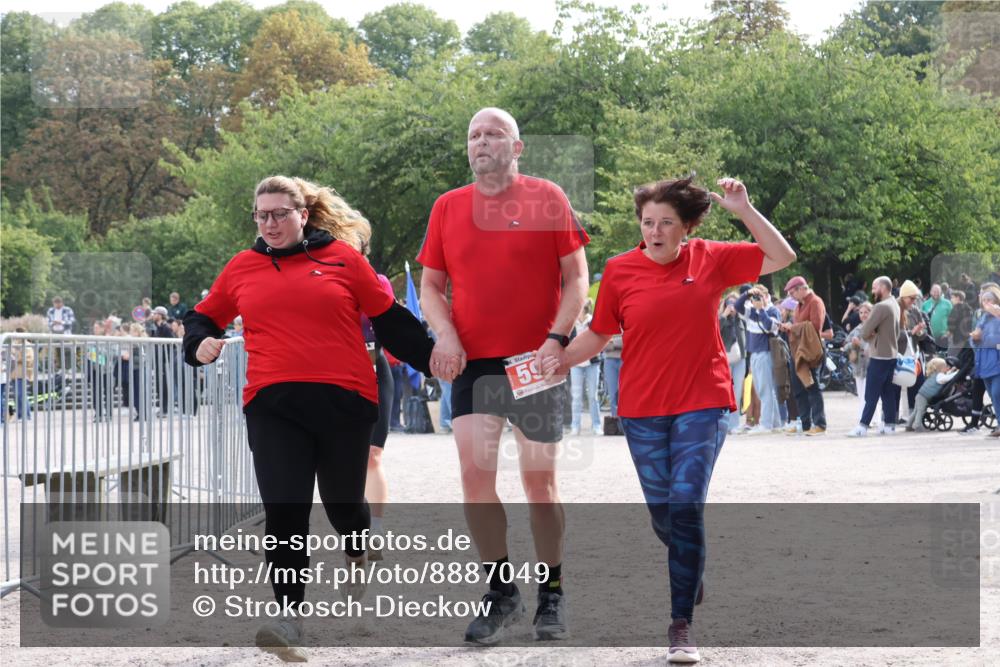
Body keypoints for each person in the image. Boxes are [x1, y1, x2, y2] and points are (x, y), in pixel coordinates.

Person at [182, 175, 436, 660]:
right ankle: (288, 617)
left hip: (344, 403)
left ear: (303, 214)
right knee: (285, 510)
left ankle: (359, 547)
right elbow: (203, 316)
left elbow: (391, 320)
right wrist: (199, 344)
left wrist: (436, 359)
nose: (271, 223)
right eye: (262, 215)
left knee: (343, 507)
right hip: (273, 407)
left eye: (280, 213)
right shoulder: (242, 267)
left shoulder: (343, 260)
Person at [548, 176, 795, 663]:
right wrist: (558, 359)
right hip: (640, 410)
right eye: (647, 223)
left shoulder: (710, 257)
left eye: (665, 223)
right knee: (665, 516)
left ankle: (681, 623)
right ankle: (691, 562)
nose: (655, 231)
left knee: (685, 508)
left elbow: (782, 256)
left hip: (702, 403)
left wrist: (744, 209)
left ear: (686, 227)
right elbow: (598, 335)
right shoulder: (619, 270)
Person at [418, 107, 589, 645]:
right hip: (476, 362)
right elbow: (430, 287)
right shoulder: (447, 207)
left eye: (493, 134)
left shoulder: (547, 198)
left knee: (539, 483)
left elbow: (577, 277)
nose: (481, 141)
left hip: (534, 359)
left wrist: (557, 339)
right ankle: (501, 591)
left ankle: (552, 591)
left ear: (517, 148)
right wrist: (444, 334)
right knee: (475, 477)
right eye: (473, 135)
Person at [847, 277, 899, 437]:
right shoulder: (894, 303)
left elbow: (864, 330)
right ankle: (889, 425)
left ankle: (863, 426)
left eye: (874, 287)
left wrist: (871, 334)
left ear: (883, 287)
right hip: (891, 353)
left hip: (879, 354)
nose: (872, 291)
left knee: (871, 393)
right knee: (887, 392)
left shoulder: (880, 306)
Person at [779, 276, 827, 435]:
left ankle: (820, 424)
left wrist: (792, 327)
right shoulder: (799, 305)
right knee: (798, 389)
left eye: (793, 292)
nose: (791, 296)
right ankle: (805, 425)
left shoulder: (815, 302)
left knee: (812, 387)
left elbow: (815, 327)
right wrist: (790, 328)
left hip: (811, 351)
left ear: (802, 288)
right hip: (798, 351)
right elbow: (801, 327)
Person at [735, 284, 781, 434]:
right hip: (754, 354)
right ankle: (775, 424)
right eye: (756, 296)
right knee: (766, 389)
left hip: (765, 353)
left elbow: (770, 327)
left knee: (765, 390)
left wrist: (761, 309)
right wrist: (748, 293)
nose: (757, 299)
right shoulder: (751, 310)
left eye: (760, 296)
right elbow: (737, 305)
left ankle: (766, 424)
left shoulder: (772, 310)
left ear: (766, 296)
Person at [894, 280, 930, 419]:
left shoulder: (915, 310)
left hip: (913, 352)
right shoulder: (895, 308)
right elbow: (892, 333)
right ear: (904, 296)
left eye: (915, 299)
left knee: (916, 383)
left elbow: (924, 332)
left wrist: (919, 332)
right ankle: (892, 417)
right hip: (898, 352)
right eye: (911, 298)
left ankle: (912, 415)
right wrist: (911, 332)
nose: (914, 301)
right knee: (895, 385)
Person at [568, 300, 602, 436]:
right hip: (576, 364)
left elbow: (599, 338)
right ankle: (575, 426)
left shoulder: (593, 321)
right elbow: (567, 342)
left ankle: (597, 425)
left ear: (585, 308)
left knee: (593, 396)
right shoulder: (572, 323)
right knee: (576, 396)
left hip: (592, 363)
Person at [970, 284, 1000, 438]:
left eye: (990, 299)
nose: (986, 302)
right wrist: (974, 338)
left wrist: (983, 338)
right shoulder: (982, 318)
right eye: (984, 300)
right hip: (984, 364)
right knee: (993, 395)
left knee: (996, 392)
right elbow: (973, 341)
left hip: (997, 363)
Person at [905, 358, 959, 432]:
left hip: (920, 395)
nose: (948, 367)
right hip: (924, 396)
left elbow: (946, 376)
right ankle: (917, 426)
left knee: (916, 411)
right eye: (946, 366)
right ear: (940, 368)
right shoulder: (940, 376)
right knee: (920, 411)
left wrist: (952, 371)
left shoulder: (937, 375)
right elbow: (947, 378)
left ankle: (908, 425)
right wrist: (956, 373)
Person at [719, 292, 746, 434]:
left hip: (740, 359)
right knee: (725, 392)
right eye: (730, 303)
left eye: (735, 303)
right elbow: (715, 327)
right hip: (725, 359)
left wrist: (738, 312)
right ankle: (725, 424)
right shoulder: (721, 318)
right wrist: (724, 314)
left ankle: (734, 425)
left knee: (737, 392)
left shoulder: (740, 318)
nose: (732, 306)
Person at [842, 301, 874, 422]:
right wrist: (852, 344)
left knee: (869, 394)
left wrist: (860, 344)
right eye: (861, 312)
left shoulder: (875, 328)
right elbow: (845, 345)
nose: (863, 315)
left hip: (871, 365)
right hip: (858, 365)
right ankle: (863, 417)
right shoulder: (857, 329)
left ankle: (868, 419)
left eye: (866, 312)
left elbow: (874, 347)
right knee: (861, 393)